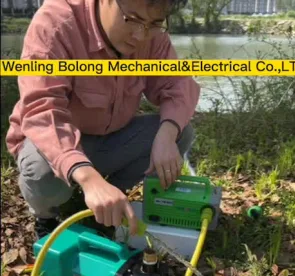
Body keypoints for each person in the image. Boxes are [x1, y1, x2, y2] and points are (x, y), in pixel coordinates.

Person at [6, 0, 200, 239]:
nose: (141, 36)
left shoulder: (151, 34)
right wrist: (87, 177)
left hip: (110, 139)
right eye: (133, 20)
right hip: (56, 144)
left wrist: (167, 134)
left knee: (181, 131)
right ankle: (46, 216)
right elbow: (44, 111)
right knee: (42, 171)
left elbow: (177, 86)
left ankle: (110, 199)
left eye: (155, 24)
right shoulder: (56, 23)